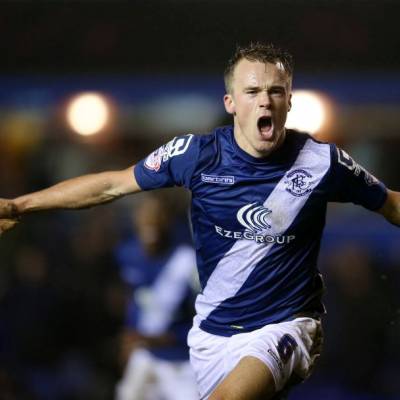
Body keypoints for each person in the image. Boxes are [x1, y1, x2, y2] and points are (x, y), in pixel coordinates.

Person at [1, 42, 399, 400]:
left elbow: (390, 204)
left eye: (276, 91)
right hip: (211, 336)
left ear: (289, 101)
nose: (266, 102)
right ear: (231, 102)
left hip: (286, 327)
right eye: (253, 91)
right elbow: (110, 185)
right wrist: (21, 205)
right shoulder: (195, 155)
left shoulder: (322, 163)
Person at [115, 193, 199, 400]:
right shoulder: (127, 253)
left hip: (180, 363)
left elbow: (203, 319)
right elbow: (134, 297)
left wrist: (161, 338)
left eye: (158, 216)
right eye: (145, 215)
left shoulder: (187, 262)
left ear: (168, 221)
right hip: (145, 355)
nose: (151, 221)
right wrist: (130, 333)